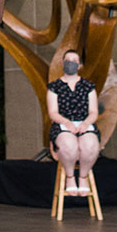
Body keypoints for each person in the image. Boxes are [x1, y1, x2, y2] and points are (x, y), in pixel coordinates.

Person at [47, 49, 100, 196]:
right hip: (63, 124)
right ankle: (70, 177)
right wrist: (67, 123)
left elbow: (94, 112)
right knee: (69, 146)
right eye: (68, 60)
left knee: (90, 145)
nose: (70, 62)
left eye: (74, 60)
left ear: (79, 65)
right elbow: (53, 112)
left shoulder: (88, 87)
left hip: (84, 123)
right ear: (63, 63)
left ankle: (83, 177)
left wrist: (85, 123)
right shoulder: (54, 87)